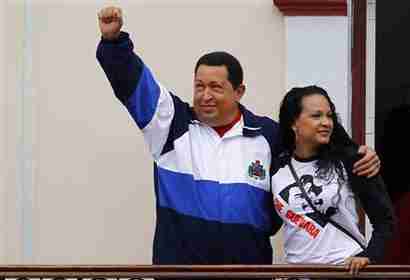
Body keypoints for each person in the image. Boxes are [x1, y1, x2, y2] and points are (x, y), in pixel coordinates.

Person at [96, 6, 380, 267]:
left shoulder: (268, 134)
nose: (205, 96)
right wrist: (114, 44)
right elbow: (135, 84)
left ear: (239, 91)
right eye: (199, 86)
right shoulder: (171, 125)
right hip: (180, 272)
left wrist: (359, 154)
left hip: (250, 271)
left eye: (216, 87)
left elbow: (315, 140)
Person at [271, 86, 395, 275]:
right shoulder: (277, 167)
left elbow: (386, 221)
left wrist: (368, 256)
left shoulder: (352, 161)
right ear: (293, 123)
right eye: (316, 116)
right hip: (297, 272)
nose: (326, 122)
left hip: (344, 271)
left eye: (329, 116)